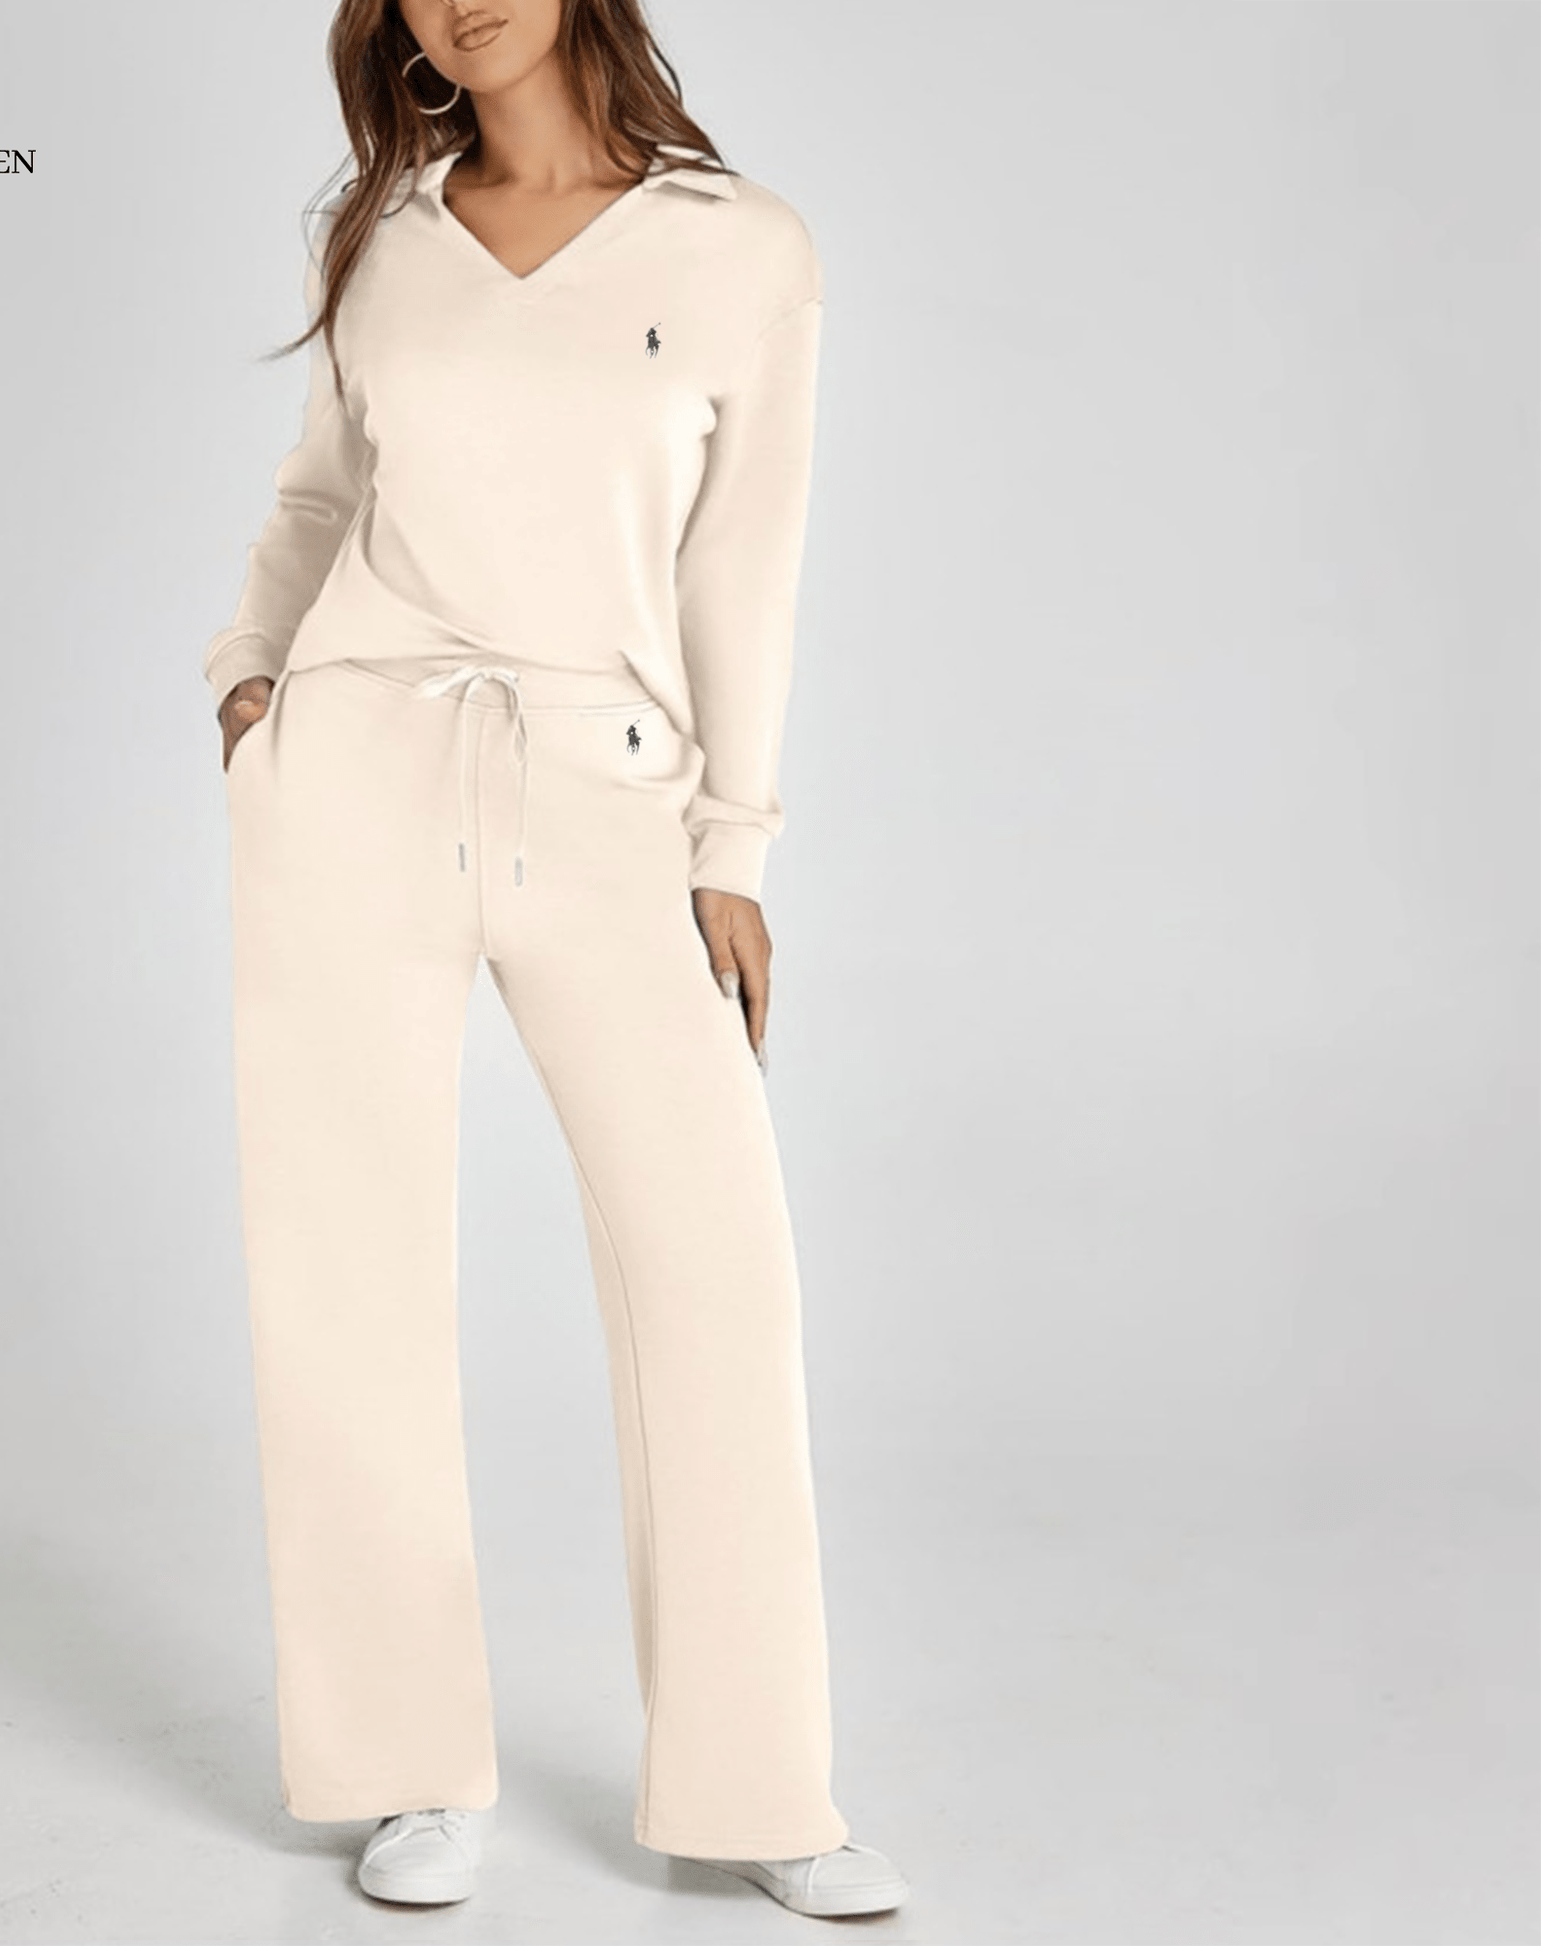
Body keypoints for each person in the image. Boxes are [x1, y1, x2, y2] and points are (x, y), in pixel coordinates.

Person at [203, 0, 910, 1920]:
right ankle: (401, 1763)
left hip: (610, 791)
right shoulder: (385, 236)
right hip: (357, 772)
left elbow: (742, 561)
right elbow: (319, 494)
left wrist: (732, 843)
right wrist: (250, 684)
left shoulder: (737, 245)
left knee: (713, 1276)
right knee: (343, 1270)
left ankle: (757, 1782)